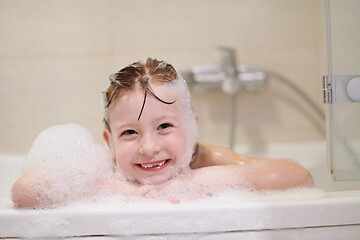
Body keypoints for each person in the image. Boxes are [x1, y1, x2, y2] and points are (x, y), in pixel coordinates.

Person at [12, 58, 314, 208]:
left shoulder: (207, 158)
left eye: (164, 127)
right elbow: (24, 192)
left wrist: (193, 181)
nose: (148, 147)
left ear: (192, 127)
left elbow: (298, 176)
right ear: (109, 141)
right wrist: (127, 191)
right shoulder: (103, 168)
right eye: (130, 132)